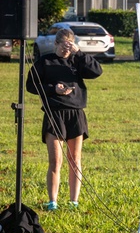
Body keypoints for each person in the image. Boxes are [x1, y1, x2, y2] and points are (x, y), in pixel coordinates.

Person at [26, 28, 103, 211]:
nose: (65, 52)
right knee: (56, 160)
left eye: (69, 48)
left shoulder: (77, 60)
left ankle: (73, 201)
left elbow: (97, 71)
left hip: (75, 113)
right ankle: (53, 201)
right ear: (56, 44)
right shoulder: (45, 61)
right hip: (54, 113)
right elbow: (31, 85)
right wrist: (54, 89)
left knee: (75, 159)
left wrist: (79, 53)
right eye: (63, 47)